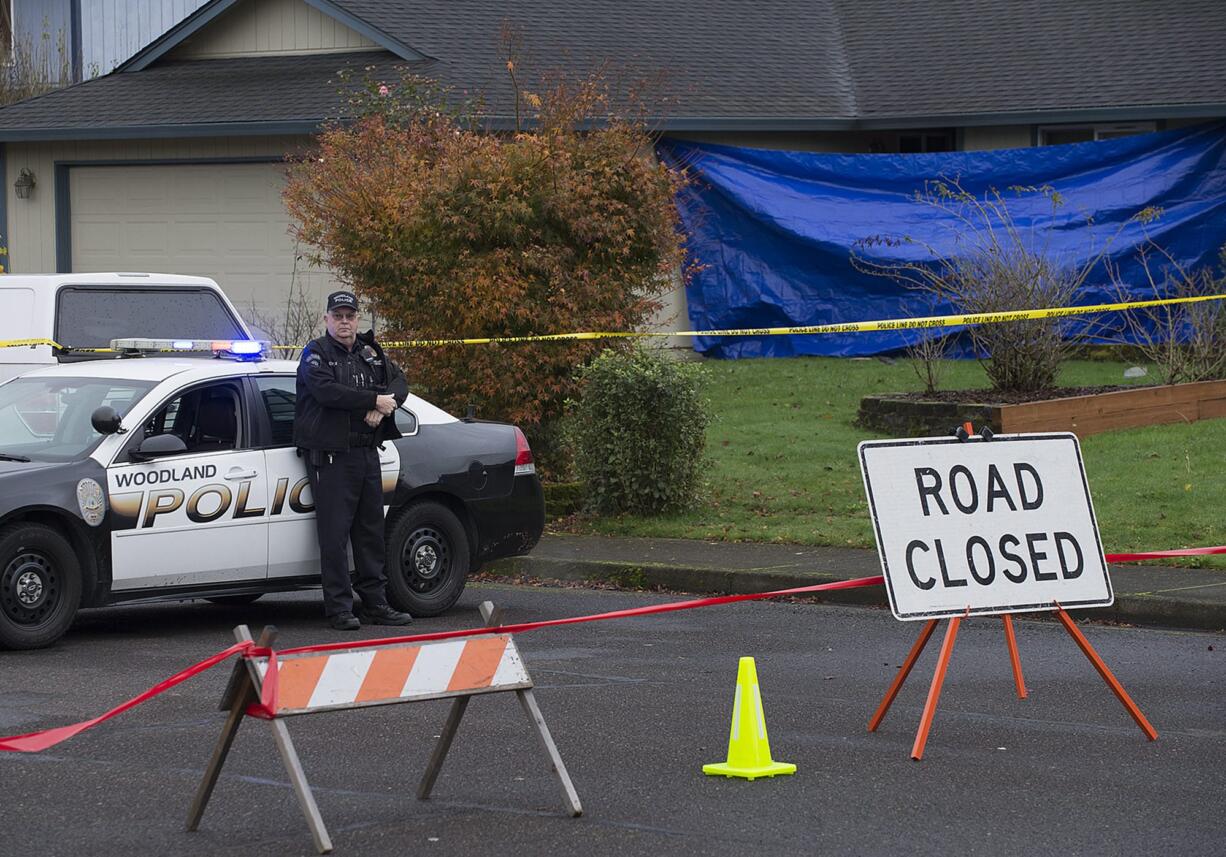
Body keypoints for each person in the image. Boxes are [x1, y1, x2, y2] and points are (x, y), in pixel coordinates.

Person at [294, 290, 414, 630]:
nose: (344, 322)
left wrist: (385, 402)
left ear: (356, 319)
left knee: (370, 532)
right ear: (326, 319)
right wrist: (373, 401)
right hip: (330, 456)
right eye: (338, 316)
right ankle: (340, 610)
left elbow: (400, 382)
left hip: (366, 452)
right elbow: (327, 393)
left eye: (349, 316)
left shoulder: (369, 351)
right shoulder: (315, 354)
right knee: (334, 535)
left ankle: (376, 604)